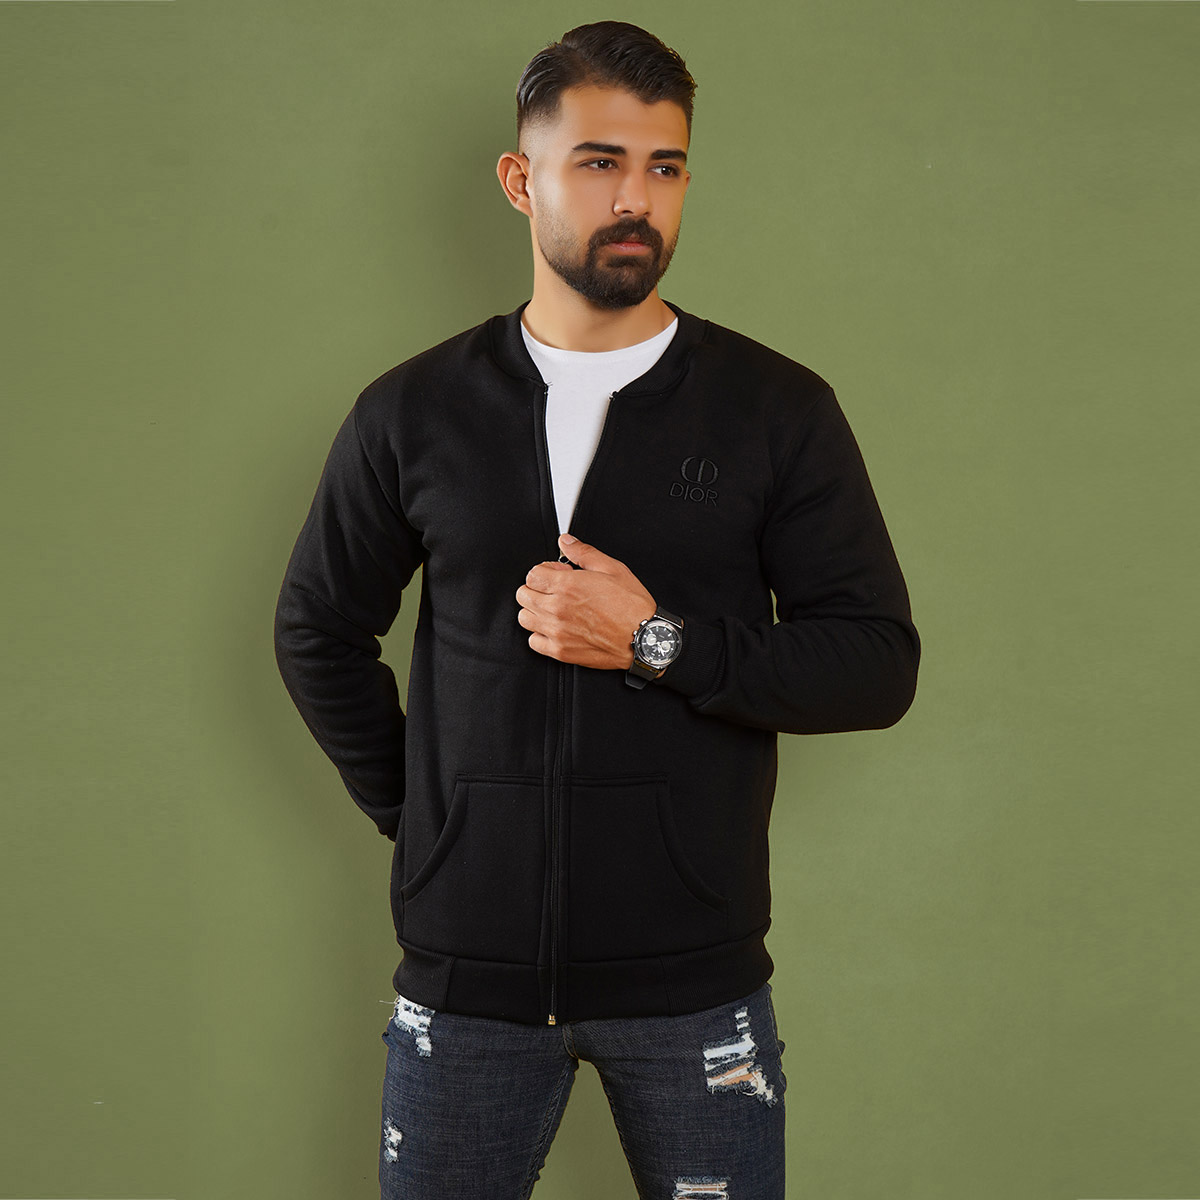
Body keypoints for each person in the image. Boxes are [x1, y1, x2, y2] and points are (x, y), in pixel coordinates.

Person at [273, 19, 920, 1200]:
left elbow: (875, 662)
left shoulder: (775, 409)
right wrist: (433, 820)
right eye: (600, 162)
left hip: (696, 990)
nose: (636, 198)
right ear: (521, 181)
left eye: (665, 167)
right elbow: (317, 629)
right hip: (465, 988)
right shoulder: (413, 411)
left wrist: (657, 644)